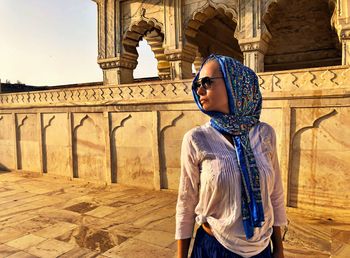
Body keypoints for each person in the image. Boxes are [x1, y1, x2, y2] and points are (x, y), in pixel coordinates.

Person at [175, 54, 287, 258]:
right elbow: (186, 201)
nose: (199, 90)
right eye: (197, 84)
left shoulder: (264, 134)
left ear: (235, 83)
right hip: (215, 247)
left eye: (207, 82)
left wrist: (278, 248)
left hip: (261, 249)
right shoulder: (197, 139)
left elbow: (275, 195)